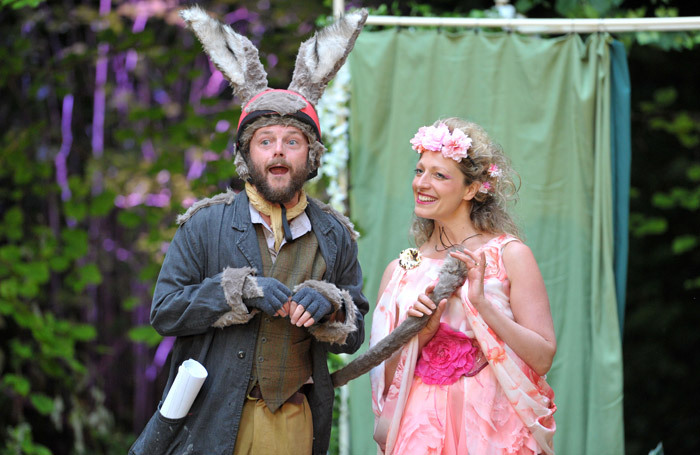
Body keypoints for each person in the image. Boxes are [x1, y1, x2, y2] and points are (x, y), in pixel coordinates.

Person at [129, 6, 369, 455]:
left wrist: (333, 305)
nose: (278, 153)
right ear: (246, 154)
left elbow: (354, 332)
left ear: (311, 155)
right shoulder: (204, 223)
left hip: (295, 422)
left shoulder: (335, 234)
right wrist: (237, 292)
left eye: (292, 142)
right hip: (212, 418)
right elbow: (165, 312)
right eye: (266, 141)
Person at [369, 118, 557, 455]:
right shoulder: (400, 269)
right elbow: (385, 376)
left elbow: (542, 358)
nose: (422, 183)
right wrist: (420, 335)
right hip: (420, 427)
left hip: (490, 422)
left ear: (471, 189)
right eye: (419, 171)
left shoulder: (509, 255)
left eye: (439, 175)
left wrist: (481, 304)